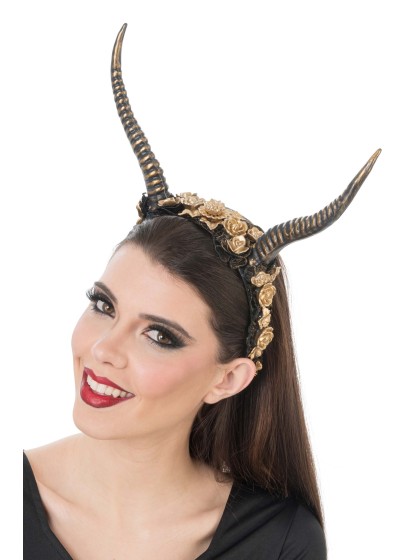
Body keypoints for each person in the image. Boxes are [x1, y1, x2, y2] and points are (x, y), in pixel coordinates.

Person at [23, 24, 380, 560]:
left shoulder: (280, 542)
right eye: (104, 305)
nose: (102, 349)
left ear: (228, 378)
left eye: (159, 335)